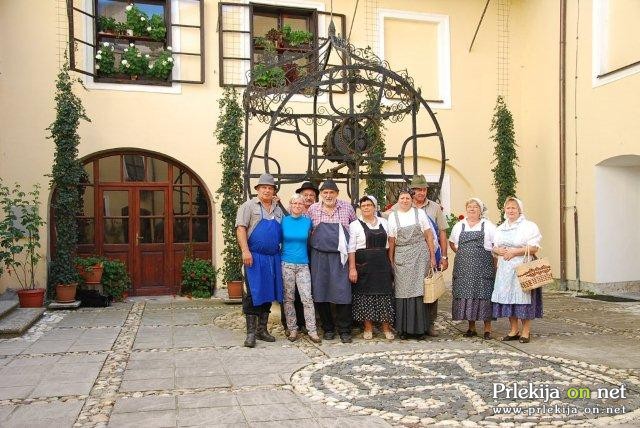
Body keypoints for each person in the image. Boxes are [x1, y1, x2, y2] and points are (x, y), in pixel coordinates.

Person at [235, 173, 284, 348]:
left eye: (270, 188)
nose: (267, 190)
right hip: (254, 256)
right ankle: (250, 333)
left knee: (268, 292)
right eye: (263, 187)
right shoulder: (248, 206)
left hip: (273, 258)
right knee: (252, 293)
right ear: (257, 189)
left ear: (274, 191)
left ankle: (262, 330)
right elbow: (241, 229)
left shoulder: (278, 209)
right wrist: (245, 251)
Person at [308, 179, 357, 343]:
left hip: (341, 256)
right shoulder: (313, 209)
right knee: (320, 291)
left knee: (343, 292)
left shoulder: (347, 208)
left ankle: (345, 330)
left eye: (331, 192)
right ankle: (328, 328)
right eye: (325, 193)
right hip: (319, 256)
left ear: (337, 193)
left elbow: (355, 231)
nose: (328, 195)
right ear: (321, 194)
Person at [491, 197, 543, 344]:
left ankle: (525, 331)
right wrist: (498, 250)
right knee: (508, 300)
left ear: (520, 209)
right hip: (505, 270)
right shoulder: (501, 228)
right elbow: (494, 247)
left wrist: (514, 252)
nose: (511, 210)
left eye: (514, 208)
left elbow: (534, 247)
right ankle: (514, 330)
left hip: (522, 267)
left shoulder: (529, 226)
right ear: (504, 210)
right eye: (508, 208)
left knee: (523, 300)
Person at [388, 189, 437, 339]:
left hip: (420, 255)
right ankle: (404, 329)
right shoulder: (392, 216)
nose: (404, 200)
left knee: (419, 291)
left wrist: (432, 256)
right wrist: (391, 260)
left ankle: (420, 329)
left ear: (412, 199)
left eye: (407, 198)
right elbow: (391, 240)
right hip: (402, 256)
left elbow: (428, 235)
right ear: (398, 200)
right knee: (402, 291)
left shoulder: (420, 214)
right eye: (402, 198)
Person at [348, 195, 395, 340]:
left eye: (369, 205)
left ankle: (386, 327)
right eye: (363, 206)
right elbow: (351, 249)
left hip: (382, 263)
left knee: (384, 295)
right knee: (364, 296)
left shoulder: (384, 222)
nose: (366, 208)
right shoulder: (354, 225)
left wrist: (391, 261)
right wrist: (352, 268)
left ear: (374, 207)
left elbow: (391, 241)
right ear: (360, 209)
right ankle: (368, 328)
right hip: (364, 265)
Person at [449, 198, 497, 339]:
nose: (472, 209)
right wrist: (462, 253)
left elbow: (495, 244)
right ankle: (471, 328)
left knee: (484, 295)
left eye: (475, 207)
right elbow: (452, 243)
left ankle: (487, 329)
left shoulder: (488, 226)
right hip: (464, 268)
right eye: (469, 206)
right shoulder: (459, 225)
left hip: (483, 267)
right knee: (467, 295)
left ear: (480, 210)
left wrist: (494, 262)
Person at [408, 174, 449, 337]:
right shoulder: (404, 206)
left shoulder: (434, 207)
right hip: (411, 256)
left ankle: (430, 323)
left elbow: (442, 233)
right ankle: (416, 322)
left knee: (431, 287)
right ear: (412, 191)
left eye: (424, 189)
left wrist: (444, 257)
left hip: (432, 254)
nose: (421, 192)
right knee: (414, 289)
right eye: (418, 189)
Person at [279, 181, 320, 337]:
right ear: (290, 205)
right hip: (286, 264)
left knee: (307, 298)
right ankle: (293, 328)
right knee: (288, 299)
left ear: (304, 206)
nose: (297, 205)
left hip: (303, 265)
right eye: (294, 203)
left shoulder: (308, 222)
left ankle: (312, 330)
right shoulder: (283, 221)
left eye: (300, 203)